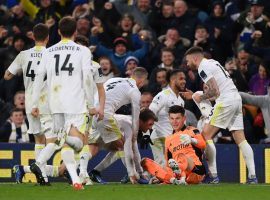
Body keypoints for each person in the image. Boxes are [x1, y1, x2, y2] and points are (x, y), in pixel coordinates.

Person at [31, 16, 97, 190]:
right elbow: (88, 79)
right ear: (75, 32)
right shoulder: (83, 51)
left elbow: (38, 78)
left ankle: (75, 180)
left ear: (59, 31)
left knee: (66, 145)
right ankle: (60, 143)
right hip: (76, 103)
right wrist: (91, 104)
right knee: (80, 143)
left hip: (55, 104)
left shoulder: (47, 51)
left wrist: (34, 103)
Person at [185, 46, 257, 184]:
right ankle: (253, 177)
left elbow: (215, 91)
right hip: (236, 98)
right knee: (240, 138)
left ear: (195, 58)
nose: (187, 64)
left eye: (188, 61)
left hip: (225, 101)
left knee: (205, 136)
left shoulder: (202, 67)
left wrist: (201, 97)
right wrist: (195, 95)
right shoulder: (213, 62)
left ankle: (213, 176)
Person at [4, 24, 56, 185]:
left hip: (29, 101)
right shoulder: (52, 54)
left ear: (33, 37)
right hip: (48, 102)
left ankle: (41, 177)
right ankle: (36, 168)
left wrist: (22, 72)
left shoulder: (23, 55)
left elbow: (7, 76)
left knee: (39, 139)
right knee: (53, 140)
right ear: (48, 37)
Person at [90, 67, 148, 183]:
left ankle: (85, 171)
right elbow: (136, 115)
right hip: (105, 116)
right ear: (142, 81)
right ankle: (132, 175)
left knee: (94, 148)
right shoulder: (134, 90)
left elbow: (99, 93)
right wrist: (135, 135)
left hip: (94, 112)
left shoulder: (114, 80)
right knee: (123, 144)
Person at [141, 105, 206, 185]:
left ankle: (175, 177)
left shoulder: (192, 130)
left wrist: (192, 140)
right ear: (169, 119)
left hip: (195, 170)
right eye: (172, 118)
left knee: (181, 157)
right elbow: (168, 163)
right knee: (147, 162)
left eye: (177, 118)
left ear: (184, 118)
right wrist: (161, 176)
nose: (174, 122)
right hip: (178, 173)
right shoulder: (168, 139)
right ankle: (172, 179)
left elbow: (203, 145)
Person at [149, 69, 187, 167]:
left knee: (170, 167)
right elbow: (151, 112)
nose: (184, 81)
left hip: (172, 138)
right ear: (173, 80)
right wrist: (148, 131)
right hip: (159, 137)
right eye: (181, 79)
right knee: (163, 166)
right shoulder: (163, 95)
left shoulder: (181, 100)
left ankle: (149, 176)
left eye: (184, 79)